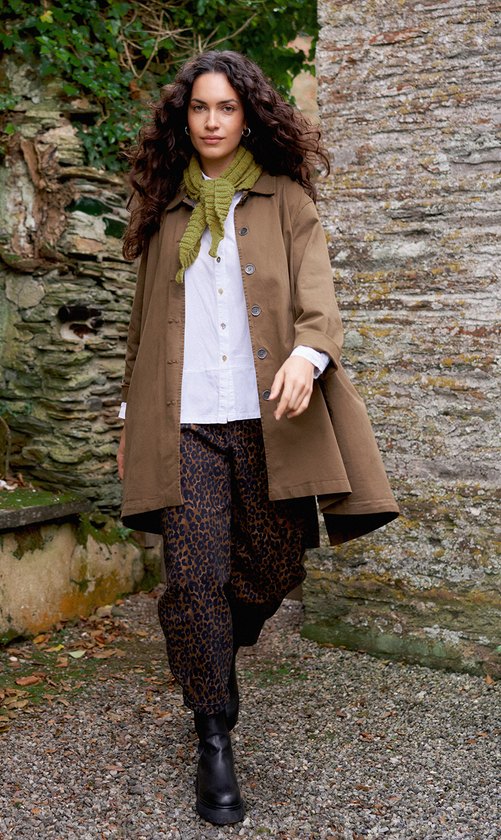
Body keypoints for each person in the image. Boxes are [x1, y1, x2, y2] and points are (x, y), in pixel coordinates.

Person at [117, 50, 398, 826]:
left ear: (248, 117)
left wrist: (307, 359)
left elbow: (319, 304)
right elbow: (141, 330)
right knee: (193, 578)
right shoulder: (166, 209)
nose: (211, 121)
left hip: (269, 421)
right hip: (184, 425)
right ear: (184, 118)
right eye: (199, 108)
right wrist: (129, 421)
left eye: (226, 108)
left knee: (270, 572)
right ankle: (213, 735)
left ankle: (213, 646)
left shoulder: (286, 201)